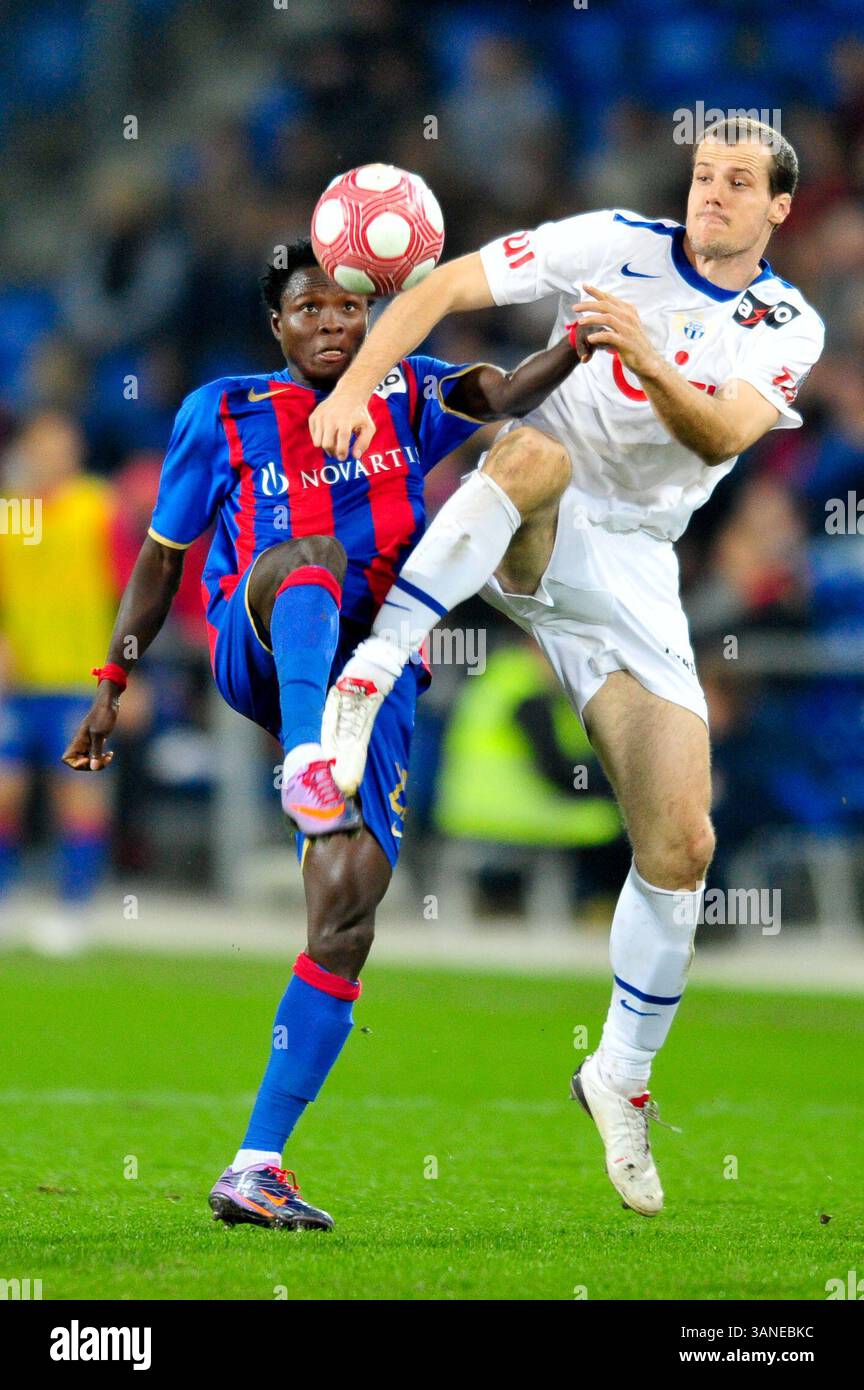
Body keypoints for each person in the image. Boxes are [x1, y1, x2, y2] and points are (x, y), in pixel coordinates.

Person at [309, 120, 826, 1216]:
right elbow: (443, 285)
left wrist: (643, 352)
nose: (713, 194)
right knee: (532, 445)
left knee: (682, 843)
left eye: (740, 183)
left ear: (781, 207)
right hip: (535, 513)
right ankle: (370, 672)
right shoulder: (610, 242)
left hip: (634, 572)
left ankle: (620, 1076)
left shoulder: (787, 322)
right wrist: (358, 380)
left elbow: (724, 436)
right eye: (703, 174)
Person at [62, 238, 585, 1231]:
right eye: (311, 309)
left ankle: (257, 1162)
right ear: (277, 323)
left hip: (374, 671)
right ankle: (306, 756)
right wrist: (112, 681)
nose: (333, 326)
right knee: (310, 552)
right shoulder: (221, 411)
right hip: (258, 638)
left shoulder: (417, 390)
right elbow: (162, 561)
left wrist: (581, 338)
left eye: (351, 309)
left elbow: (511, 389)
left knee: (347, 911)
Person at [0, 411, 116, 954]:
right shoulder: (16, 511)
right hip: (19, 682)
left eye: (60, 446)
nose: (50, 457)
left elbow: (134, 588)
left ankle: (75, 912)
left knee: (80, 796)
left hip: (81, 678)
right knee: (6, 792)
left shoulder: (97, 507)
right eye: (40, 447)